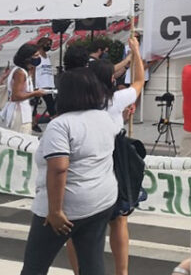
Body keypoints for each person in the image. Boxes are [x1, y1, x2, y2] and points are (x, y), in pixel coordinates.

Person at [20, 68, 118, 275]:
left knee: (34, 266)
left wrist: (55, 211)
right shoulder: (104, 117)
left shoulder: (61, 125)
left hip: (67, 208)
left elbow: (58, 168)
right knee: (92, 262)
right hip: (102, 200)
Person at [67, 36, 145, 275]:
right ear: (110, 80)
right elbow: (139, 81)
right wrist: (136, 54)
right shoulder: (114, 99)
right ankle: (121, 272)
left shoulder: (74, 99)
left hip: (80, 163)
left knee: (75, 227)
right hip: (110, 164)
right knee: (119, 219)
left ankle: (78, 270)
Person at [4, 44, 46, 135]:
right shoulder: (20, 73)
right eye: (36, 56)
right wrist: (34, 93)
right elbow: (16, 96)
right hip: (19, 114)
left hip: (24, 112)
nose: (38, 58)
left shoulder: (25, 71)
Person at [33, 37, 57, 120]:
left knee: (50, 104)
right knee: (34, 105)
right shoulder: (37, 56)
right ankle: (33, 122)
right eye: (47, 44)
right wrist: (34, 85)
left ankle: (53, 118)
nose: (49, 46)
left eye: (50, 44)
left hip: (47, 84)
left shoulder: (47, 56)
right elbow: (33, 70)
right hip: (39, 85)